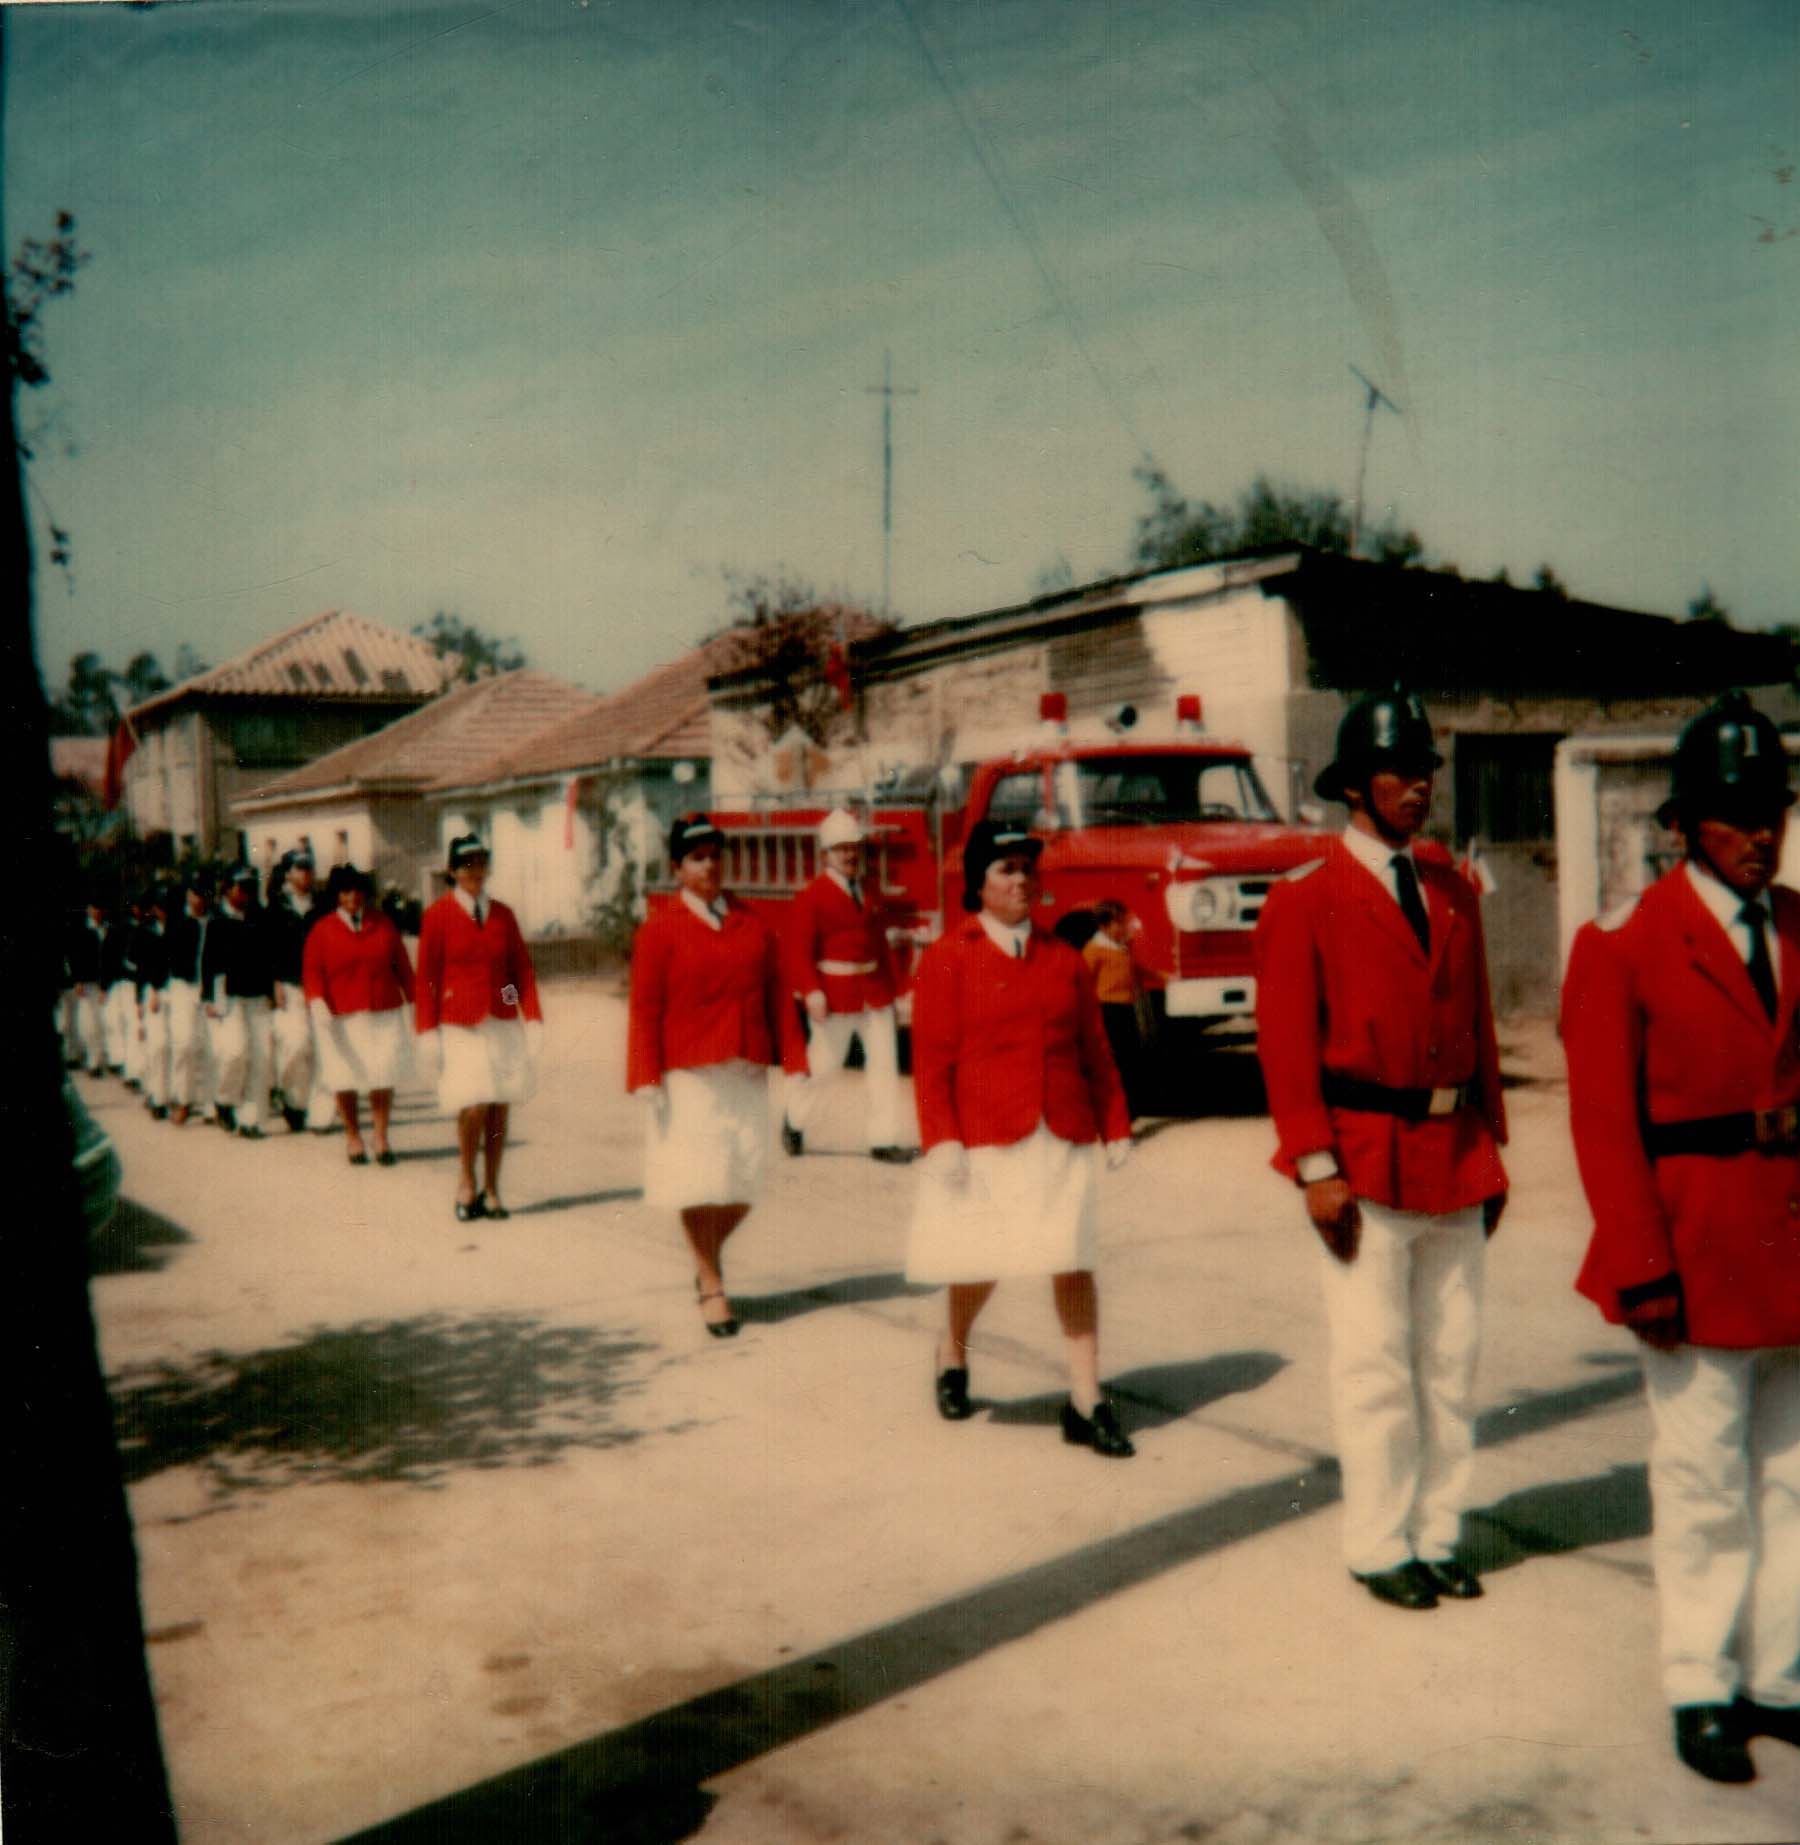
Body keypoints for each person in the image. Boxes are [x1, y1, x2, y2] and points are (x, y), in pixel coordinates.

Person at [1562, 689, 1800, 1785]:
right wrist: (1643, 1267)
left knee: (1794, 1479)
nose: (1763, 834)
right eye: (1738, 813)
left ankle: (1780, 1676)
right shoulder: (1625, 946)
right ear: (1686, 823)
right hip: (1695, 1254)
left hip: (1793, 1249)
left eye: (1776, 810)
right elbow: (1606, 1129)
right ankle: (1701, 1684)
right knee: (1704, 1480)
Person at [1253, 686, 1508, 1610]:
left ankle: (1438, 1531)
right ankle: (1376, 1543)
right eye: (1400, 771)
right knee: (1374, 1367)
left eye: (1426, 770)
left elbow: (1475, 1021)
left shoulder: (1451, 890)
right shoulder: (1307, 898)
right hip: (1362, 1160)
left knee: (1451, 1362)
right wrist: (1314, 1167)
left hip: (1454, 1154)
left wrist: (1494, 1149)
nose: (1419, 786)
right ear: (1356, 786)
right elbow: (1284, 1047)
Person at [907, 819, 1135, 1455]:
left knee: (1072, 1259)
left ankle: (1087, 1401)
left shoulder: (1064, 958)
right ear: (978, 884)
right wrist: (942, 1140)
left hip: (1062, 1134)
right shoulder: (950, 956)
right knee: (983, 1263)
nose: (1022, 880)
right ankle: (951, 1353)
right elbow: (931, 1064)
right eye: (1007, 869)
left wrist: (1115, 1123)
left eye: (1028, 869)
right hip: (986, 1137)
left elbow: (1096, 1051)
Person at [627, 814, 797, 1337]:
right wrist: (645, 1074)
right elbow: (645, 1008)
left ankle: (707, 1260)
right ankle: (711, 1280)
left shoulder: (754, 922)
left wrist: (796, 1058)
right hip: (690, 1072)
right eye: (697, 858)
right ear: (677, 869)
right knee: (699, 1181)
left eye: (715, 855)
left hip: (744, 1066)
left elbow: (776, 992)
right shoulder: (660, 930)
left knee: (743, 1182)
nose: (710, 866)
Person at [415, 835, 542, 1221]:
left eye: (480, 863)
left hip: (500, 1023)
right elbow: (428, 978)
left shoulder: (503, 914)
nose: (475, 872)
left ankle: (492, 1189)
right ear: (452, 871)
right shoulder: (438, 915)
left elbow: (516, 970)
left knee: (498, 1105)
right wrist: (427, 1029)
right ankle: (466, 1179)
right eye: (466, 865)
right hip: (459, 1024)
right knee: (472, 1103)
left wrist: (527, 1012)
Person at [780, 808, 913, 1163]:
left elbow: (880, 943)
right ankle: (794, 1120)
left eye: (855, 847)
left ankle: (883, 1139)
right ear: (826, 854)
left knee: (884, 1067)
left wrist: (896, 990)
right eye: (842, 849)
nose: (851, 855)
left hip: (874, 993)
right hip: (835, 995)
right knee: (825, 1068)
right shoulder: (812, 896)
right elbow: (798, 950)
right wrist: (811, 991)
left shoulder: (869, 889)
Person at [305, 864, 416, 1167]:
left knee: (383, 1073)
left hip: (383, 1011)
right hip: (340, 1015)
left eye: (357, 890)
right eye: (345, 891)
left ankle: (380, 1136)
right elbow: (312, 970)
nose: (352, 897)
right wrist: (316, 1001)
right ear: (336, 896)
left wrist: (418, 1001)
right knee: (345, 1077)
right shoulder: (322, 929)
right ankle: (352, 1135)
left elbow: (403, 967)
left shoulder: (384, 924)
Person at [204, 864, 277, 1138]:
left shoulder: (259, 917)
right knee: (234, 1053)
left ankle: (251, 1120)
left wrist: (272, 990)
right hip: (229, 996)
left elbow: (269, 955)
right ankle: (224, 1100)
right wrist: (209, 998)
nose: (245, 892)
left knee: (261, 1057)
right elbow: (208, 962)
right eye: (240, 886)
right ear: (227, 887)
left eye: (250, 887)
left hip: (257, 995)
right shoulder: (217, 920)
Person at [266, 849, 335, 1134]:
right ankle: (294, 1102)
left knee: (324, 1049)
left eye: (309, 867)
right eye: (299, 868)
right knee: (295, 1045)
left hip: (322, 986)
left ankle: (320, 1113)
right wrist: (274, 982)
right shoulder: (276, 908)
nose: (305, 873)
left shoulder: (324, 906)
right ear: (288, 873)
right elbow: (267, 950)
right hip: (290, 985)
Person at [1081, 898, 1154, 1118]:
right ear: (1104, 926)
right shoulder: (1094, 951)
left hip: (1125, 1008)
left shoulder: (1122, 948)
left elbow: (1137, 972)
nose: (1125, 927)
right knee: (1114, 1060)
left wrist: (1164, 978)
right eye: (1120, 923)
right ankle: (1113, 1112)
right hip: (1107, 1010)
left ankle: (1130, 1109)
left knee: (1130, 1058)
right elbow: (1083, 982)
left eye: (1125, 922)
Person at [163, 870, 215, 1127]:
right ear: (188, 894)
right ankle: (182, 1100)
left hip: (210, 989)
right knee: (183, 1044)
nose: (199, 900)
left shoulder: (215, 921)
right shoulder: (175, 921)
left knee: (210, 1046)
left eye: (203, 894)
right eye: (195, 894)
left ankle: (211, 1104)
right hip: (183, 987)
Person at [134, 887, 174, 1121]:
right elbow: (141, 969)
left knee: (172, 1045)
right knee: (157, 1044)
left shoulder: (178, 929)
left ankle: (168, 1095)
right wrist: (140, 998)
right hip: (152, 992)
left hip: (175, 990)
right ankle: (156, 1096)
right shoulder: (144, 933)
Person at [65, 894, 113, 1078]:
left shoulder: (110, 930)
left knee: (105, 1023)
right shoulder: (81, 932)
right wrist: (77, 980)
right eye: (94, 909)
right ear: (88, 910)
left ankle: (103, 1059)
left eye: (100, 909)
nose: (97, 913)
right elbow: (74, 957)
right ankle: (93, 1062)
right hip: (87, 983)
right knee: (89, 1024)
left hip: (107, 984)